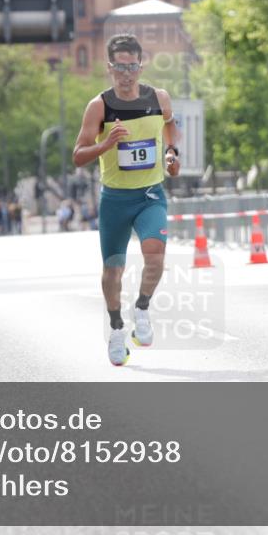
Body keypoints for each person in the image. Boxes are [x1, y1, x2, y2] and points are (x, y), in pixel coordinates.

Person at [72, 33, 180, 366]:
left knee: (155, 254)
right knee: (113, 270)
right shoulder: (99, 106)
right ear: (110, 68)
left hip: (150, 195)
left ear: (140, 65)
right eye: (120, 67)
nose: (126, 74)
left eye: (132, 66)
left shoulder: (158, 97)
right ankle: (117, 329)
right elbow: (78, 155)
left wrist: (172, 154)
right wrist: (107, 144)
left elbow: (170, 127)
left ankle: (143, 308)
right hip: (115, 200)